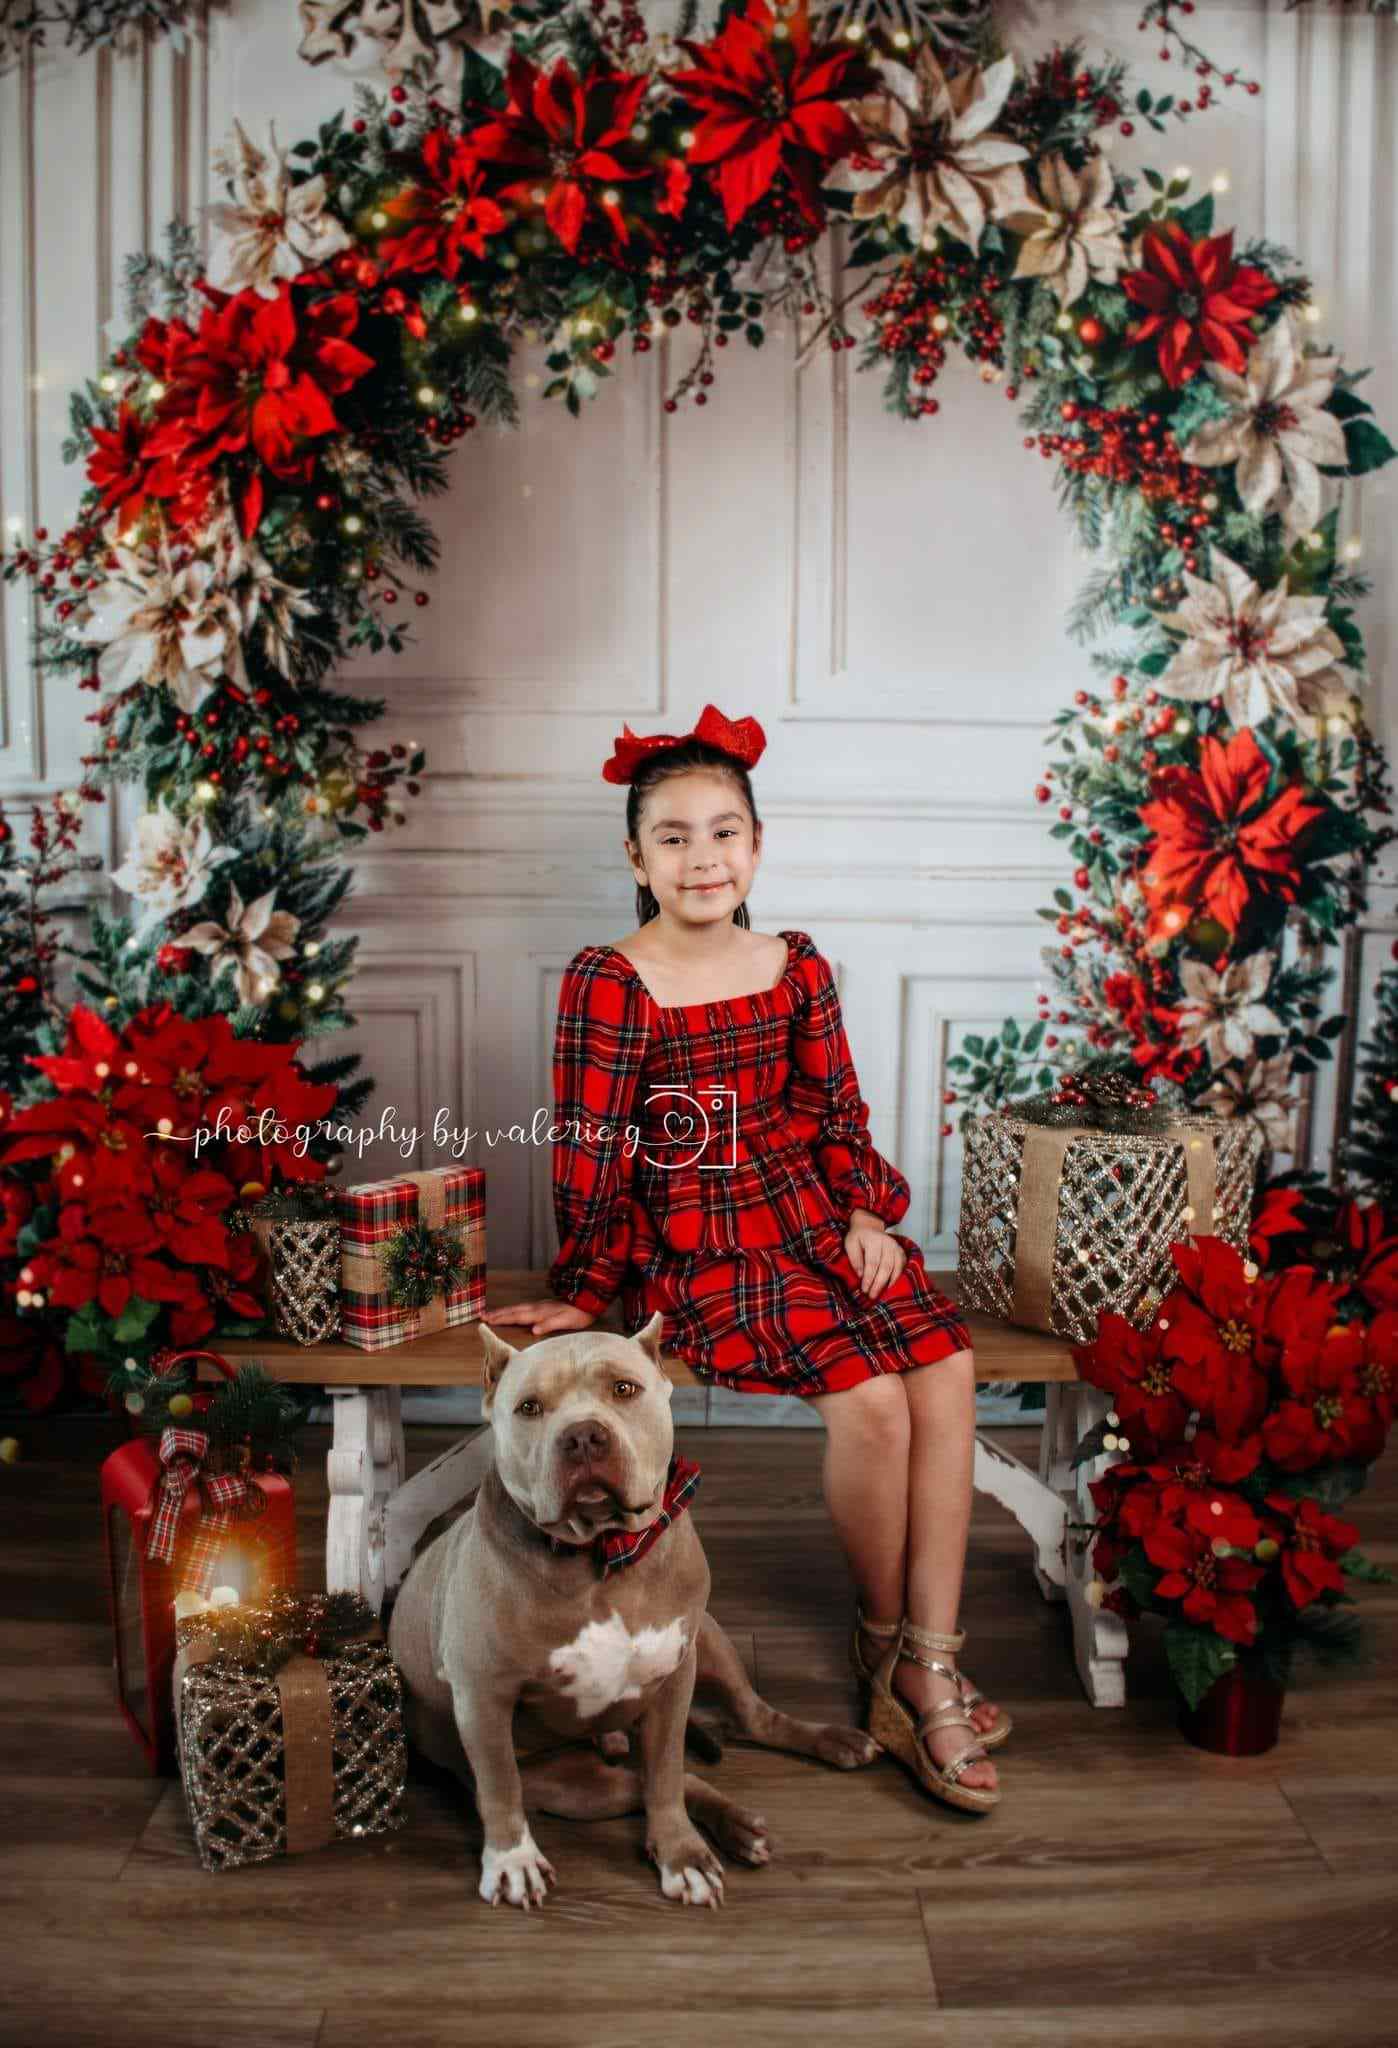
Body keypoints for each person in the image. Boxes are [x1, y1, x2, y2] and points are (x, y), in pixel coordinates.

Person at [481, 703, 1010, 1810]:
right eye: (672, 835)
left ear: (757, 846)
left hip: (814, 1214)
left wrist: (865, 1210)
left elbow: (835, 1106)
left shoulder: (794, 963)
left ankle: (931, 1652)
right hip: (698, 1236)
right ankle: (885, 1646)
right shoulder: (612, 980)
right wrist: (582, 1291)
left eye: (724, 831)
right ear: (636, 856)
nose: (702, 855)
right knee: (869, 1398)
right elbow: (592, 1154)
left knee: (946, 1367)